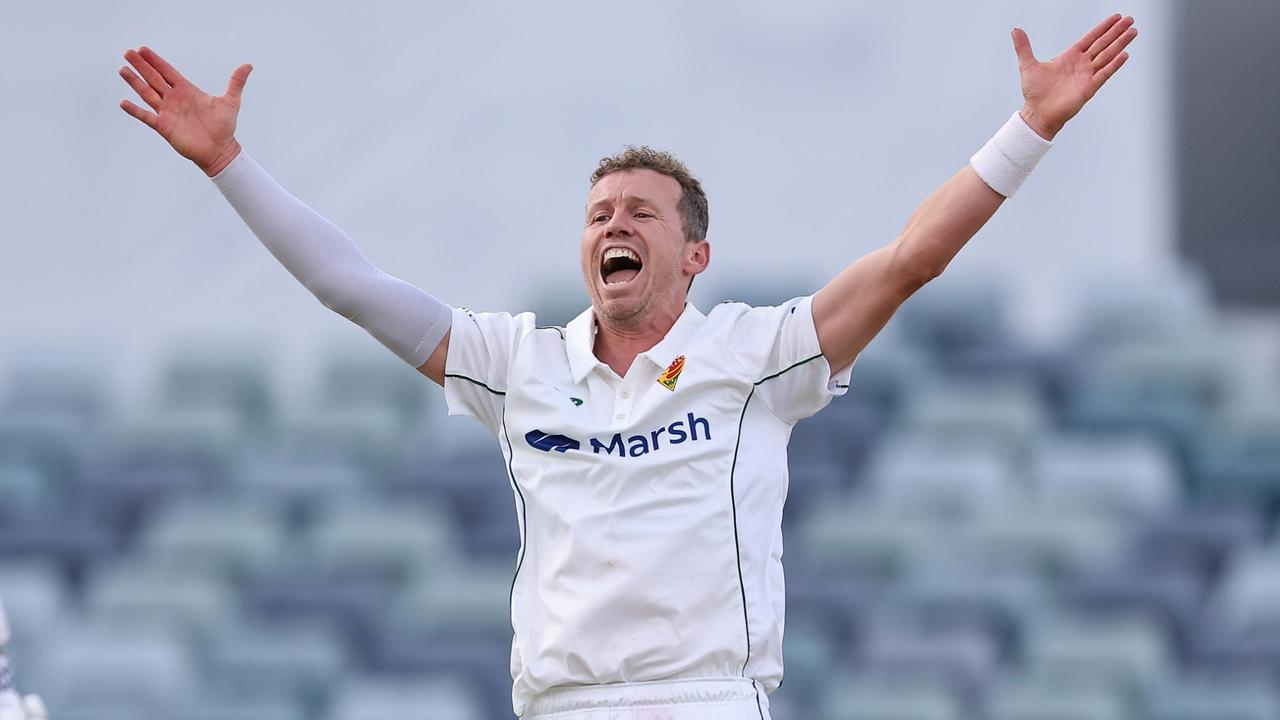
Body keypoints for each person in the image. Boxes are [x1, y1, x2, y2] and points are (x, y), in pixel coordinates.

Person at [118, 14, 1137, 720]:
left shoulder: (752, 355)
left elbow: (909, 259)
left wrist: (1029, 128)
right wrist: (227, 165)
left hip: (704, 703)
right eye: (599, 212)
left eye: (640, 212)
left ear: (693, 254)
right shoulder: (515, 364)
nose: (614, 224)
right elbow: (353, 286)